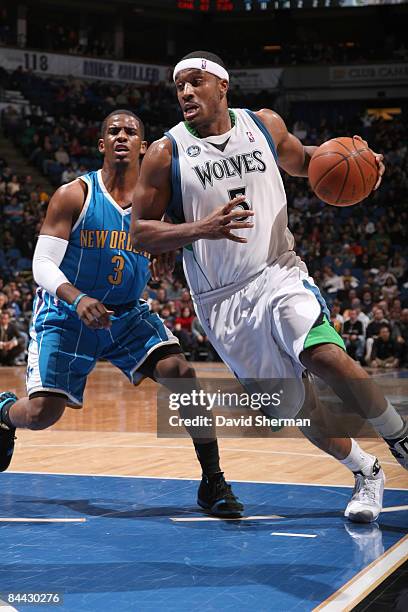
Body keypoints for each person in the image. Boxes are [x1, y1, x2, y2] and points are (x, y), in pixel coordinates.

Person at [131, 51, 408, 523]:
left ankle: (400, 440)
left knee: (323, 354)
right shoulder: (165, 151)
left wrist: (360, 161)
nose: (185, 92)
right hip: (221, 302)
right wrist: (203, 228)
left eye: (195, 82)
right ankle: (366, 470)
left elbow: (306, 162)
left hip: (278, 270)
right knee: (296, 409)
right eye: (178, 86)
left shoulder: (263, 125)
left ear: (222, 85)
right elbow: (140, 232)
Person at [0, 109, 243, 519]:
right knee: (41, 415)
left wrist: (171, 250)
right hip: (67, 313)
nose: (121, 136)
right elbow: (42, 265)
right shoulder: (74, 194)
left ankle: (213, 479)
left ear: (144, 147)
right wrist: (77, 298)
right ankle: (5, 411)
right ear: (101, 144)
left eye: (131, 132)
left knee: (181, 374)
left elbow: (175, 241)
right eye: (113, 131)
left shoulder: (157, 206)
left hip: (126, 316)